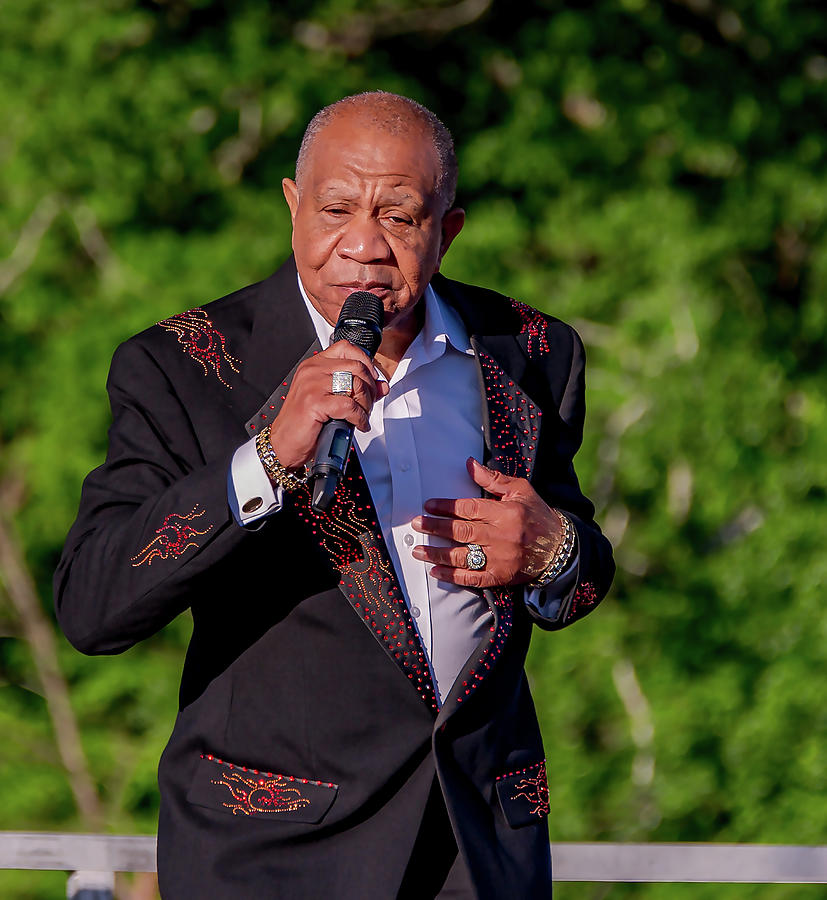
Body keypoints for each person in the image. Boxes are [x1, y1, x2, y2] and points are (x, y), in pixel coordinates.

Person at [55, 91, 614, 899]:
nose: (362, 245)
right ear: (291, 205)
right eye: (336, 208)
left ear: (447, 230)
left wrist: (552, 550)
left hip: (477, 844)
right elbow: (93, 602)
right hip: (275, 850)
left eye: (398, 217)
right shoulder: (184, 366)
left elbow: (584, 572)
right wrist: (264, 463)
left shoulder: (529, 351)